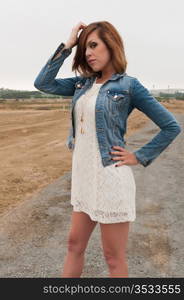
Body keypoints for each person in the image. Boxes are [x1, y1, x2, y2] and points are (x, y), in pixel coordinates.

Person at [34, 21, 181, 278]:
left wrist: (139, 156)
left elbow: (171, 126)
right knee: (73, 246)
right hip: (84, 178)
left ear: (111, 45)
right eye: (85, 48)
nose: (88, 53)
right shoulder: (82, 85)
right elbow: (43, 83)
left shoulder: (129, 86)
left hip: (111, 180)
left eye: (93, 45)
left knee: (113, 258)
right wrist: (68, 46)